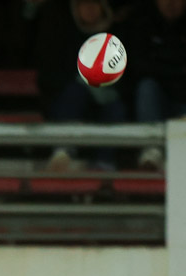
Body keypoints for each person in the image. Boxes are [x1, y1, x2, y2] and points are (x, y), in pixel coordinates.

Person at [35, 0, 129, 171]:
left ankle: (104, 162)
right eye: (84, 4)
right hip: (70, 105)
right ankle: (63, 150)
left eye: (94, 3)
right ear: (76, 9)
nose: (89, 9)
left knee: (116, 107)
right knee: (75, 92)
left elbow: (129, 75)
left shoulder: (117, 36)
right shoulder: (64, 35)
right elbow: (49, 77)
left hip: (106, 104)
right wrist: (83, 82)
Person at [125, 0, 186, 170]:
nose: (170, 3)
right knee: (147, 87)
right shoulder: (143, 25)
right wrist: (179, 68)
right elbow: (139, 67)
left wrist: (162, 65)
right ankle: (152, 150)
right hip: (156, 104)